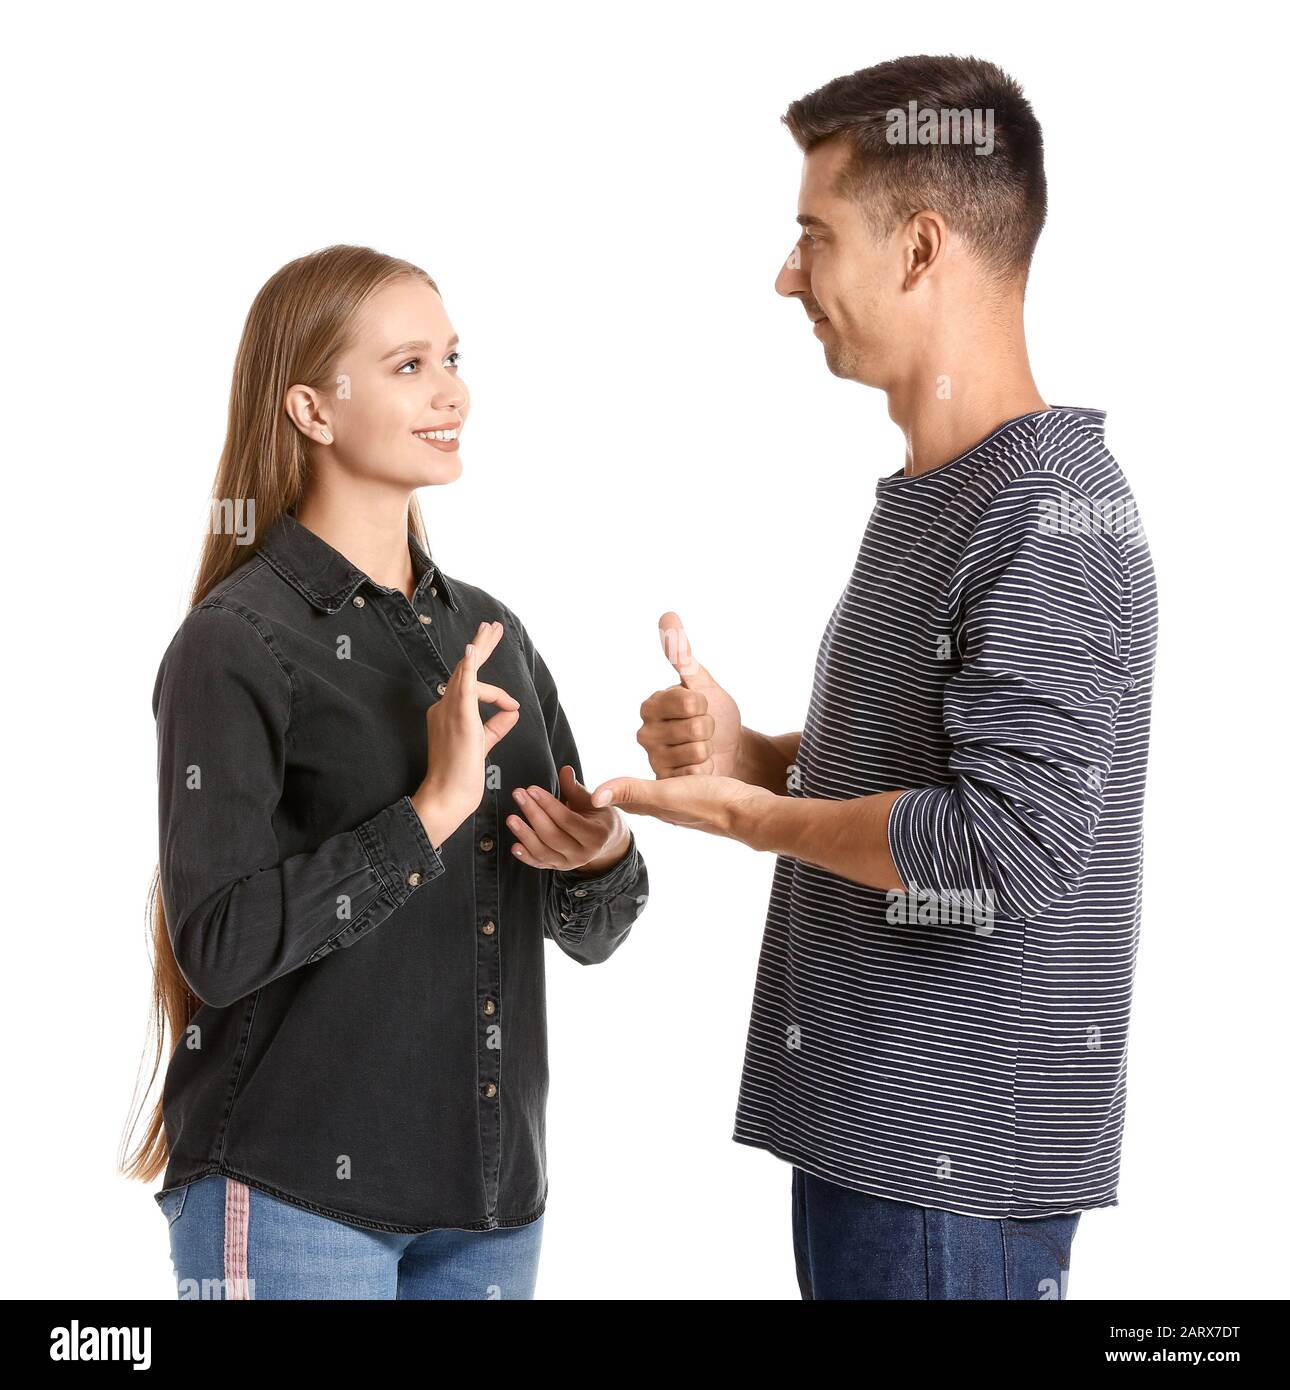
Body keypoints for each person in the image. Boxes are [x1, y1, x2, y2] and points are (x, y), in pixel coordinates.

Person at [592, 55, 1157, 1300]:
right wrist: (755, 758)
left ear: (917, 249)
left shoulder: (1047, 511)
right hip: (884, 1159)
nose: (787, 276)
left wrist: (755, 822)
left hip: (949, 1181)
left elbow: (1003, 851)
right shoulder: (948, 495)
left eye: (813, 238)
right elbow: (943, 782)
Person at [122, 244, 649, 1299]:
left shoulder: (493, 633)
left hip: (490, 1208)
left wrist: (603, 857)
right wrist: (431, 809)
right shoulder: (234, 643)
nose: (453, 390)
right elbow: (217, 946)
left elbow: (589, 929)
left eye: (453, 357)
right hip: (294, 1197)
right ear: (314, 410)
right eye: (409, 365)